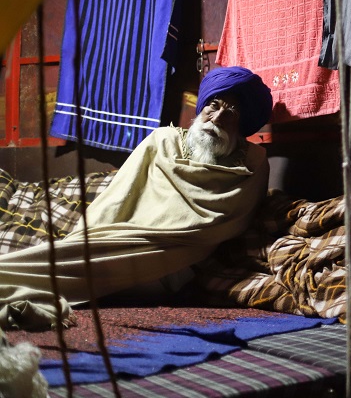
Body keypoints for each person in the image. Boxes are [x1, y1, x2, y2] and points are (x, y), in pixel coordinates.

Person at [0, 66, 273, 330]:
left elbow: (235, 218)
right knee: (58, 261)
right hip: (122, 240)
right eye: (213, 105)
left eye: (231, 112)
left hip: (177, 263)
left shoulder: (254, 163)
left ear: (242, 125)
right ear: (201, 108)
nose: (216, 118)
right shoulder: (162, 141)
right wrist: (83, 240)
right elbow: (116, 199)